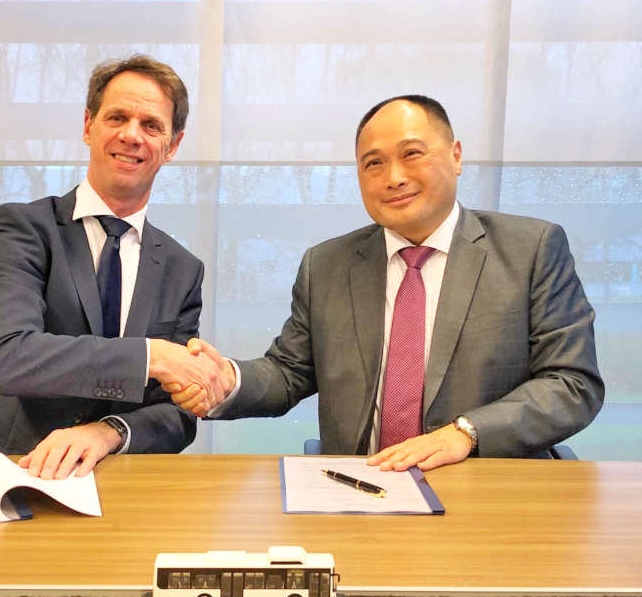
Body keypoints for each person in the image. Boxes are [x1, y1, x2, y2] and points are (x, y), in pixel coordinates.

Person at [170, 94, 603, 472]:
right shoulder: (328, 265)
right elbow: (288, 372)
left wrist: (465, 433)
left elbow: (572, 383)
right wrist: (227, 380)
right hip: (361, 489)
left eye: (412, 154)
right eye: (373, 163)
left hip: (485, 488)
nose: (393, 176)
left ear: (456, 156)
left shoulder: (530, 250)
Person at [0, 55, 225, 478]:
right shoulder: (24, 228)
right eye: (117, 117)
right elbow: (4, 357)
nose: (131, 135)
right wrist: (151, 356)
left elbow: (177, 415)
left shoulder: (182, 269)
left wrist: (108, 432)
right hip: (7, 469)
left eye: (151, 125)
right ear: (88, 126)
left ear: (172, 146)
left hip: (116, 483)